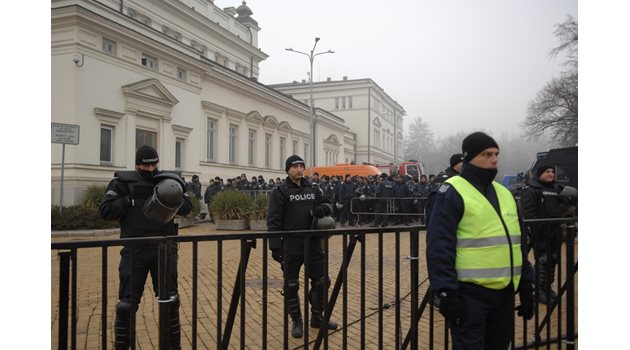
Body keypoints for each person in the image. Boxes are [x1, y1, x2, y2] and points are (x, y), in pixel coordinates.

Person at [426, 132, 535, 350]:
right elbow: (439, 247)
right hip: (470, 296)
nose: (494, 159)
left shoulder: (504, 193)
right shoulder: (450, 191)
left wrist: (526, 284)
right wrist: (446, 292)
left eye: (496, 154)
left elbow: (517, 245)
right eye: (487, 154)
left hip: (504, 293)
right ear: (469, 158)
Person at [99, 145, 192, 350]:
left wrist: (172, 199)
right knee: (127, 304)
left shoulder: (169, 181)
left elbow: (187, 207)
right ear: (137, 164)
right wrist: (128, 200)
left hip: (164, 249)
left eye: (154, 164)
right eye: (146, 164)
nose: (150, 169)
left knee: (170, 301)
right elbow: (105, 211)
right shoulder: (122, 183)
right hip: (135, 250)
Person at [267, 155, 338, 338]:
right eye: (295, 166)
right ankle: (297, 321)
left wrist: (323, 209)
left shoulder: (313, 188)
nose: (299, 169)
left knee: (322, 281)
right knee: (291, 285)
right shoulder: (280, 191)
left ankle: (317, 317)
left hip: (313, 242)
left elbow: (327, 204)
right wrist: (276, 248)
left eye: (301, 166)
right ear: (288, 169)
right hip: (292, 245)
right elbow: (273, 221)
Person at [520, 164, 576, 304]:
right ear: (539, 174)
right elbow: (528, 213)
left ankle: (547, 287)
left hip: (556, 230)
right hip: (541, 233)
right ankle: (539, 291)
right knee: (543, 261)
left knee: (554, 259)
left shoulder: (557, 188)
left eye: (552, 172)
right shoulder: (531, 190)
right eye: (547, 171)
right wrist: (536, 228)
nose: (551, 174)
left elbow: (568, 205)